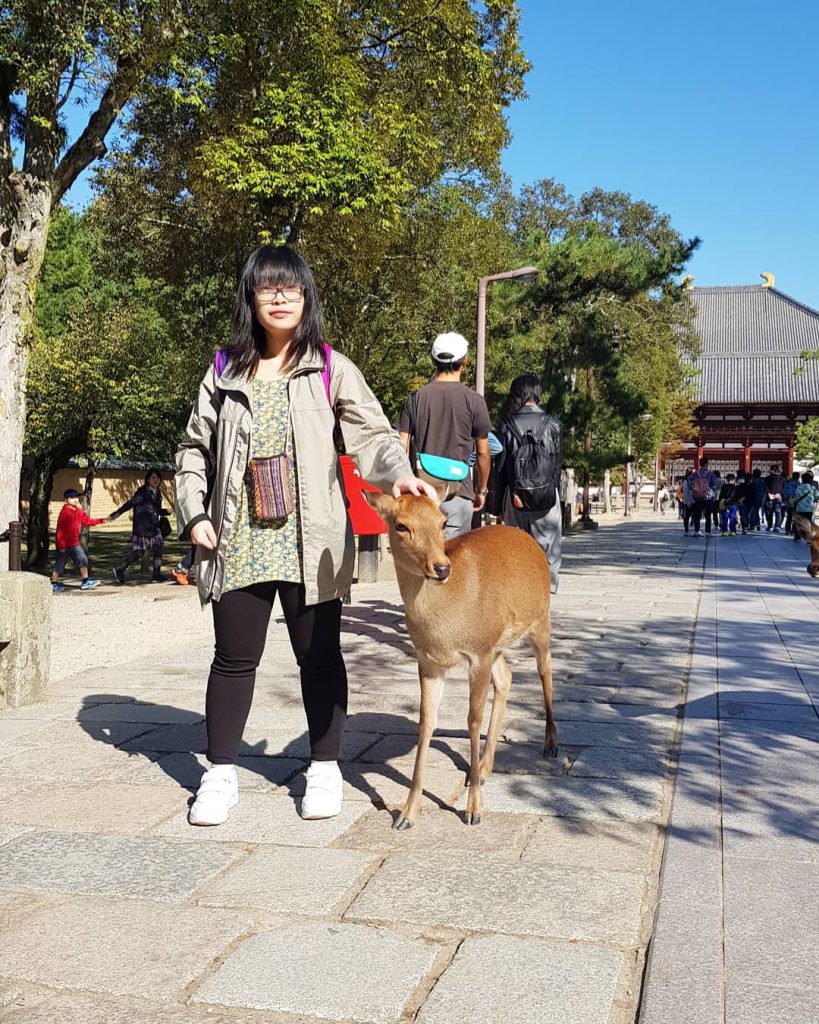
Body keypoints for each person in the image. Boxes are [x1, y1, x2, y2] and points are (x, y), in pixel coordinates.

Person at [174, 245, 436, 827]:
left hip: (309, 535)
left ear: (306, 296)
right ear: (251, 296)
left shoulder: (329, 366)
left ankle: (323, 768)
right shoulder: (223, 369)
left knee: (318, 657)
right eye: (267, 287)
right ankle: (218, 774)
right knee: (233, 658)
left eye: (290, 287)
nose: (280, 296)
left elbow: (372, 437)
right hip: (236, 534)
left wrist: (402, 477)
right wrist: (194, 513)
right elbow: (193, 450)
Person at [398, 332, 492, 539]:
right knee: (454, 562)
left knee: (425, 561)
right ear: (465, 361)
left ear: (433, 360)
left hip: (422, 493)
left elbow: (401, 447)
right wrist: (482, 489)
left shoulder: (414, 399)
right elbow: (483, 453)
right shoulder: (474, 401)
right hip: (459, 492)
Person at [493, 374, 563, 593]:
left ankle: (520, 594)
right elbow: (556, 466)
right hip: (546, 497)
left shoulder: (506, 425)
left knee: (516, 549)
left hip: (515, 498)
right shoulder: (553, 424)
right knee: (548, 548)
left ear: (516, 395)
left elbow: (501, 469)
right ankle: (545, 593)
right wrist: (555, 494)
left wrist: (497, 506)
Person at [110, 469, 172, 583]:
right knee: (140, 552)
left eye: (157, 478)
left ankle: (156, 574)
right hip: (143, 527)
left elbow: (155, 510)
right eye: (153, 477)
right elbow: (129, 504)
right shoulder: (142, 492)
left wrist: (165, 512)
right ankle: (120, 568)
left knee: (158, 548)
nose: (156, 480)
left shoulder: (158, 492)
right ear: (148, 479)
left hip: (154, 526)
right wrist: (114, 516)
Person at [50, 489, 110, 592]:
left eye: (76, 497)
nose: (75, 499)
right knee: (60, 563)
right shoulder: (64, 512)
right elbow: (60, 530)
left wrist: (101, 520)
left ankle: (85, 581)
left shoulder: (79, 511)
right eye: (72, 497)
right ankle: (54, 583)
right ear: (66, 500)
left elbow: (86, 521)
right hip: (64, 544)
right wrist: (61, 545)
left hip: (75, 543)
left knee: (83, 559)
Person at [689, 459, 718, 537]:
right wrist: (710, 491)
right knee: (708, 515)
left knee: (697, 514)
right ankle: (708, 532)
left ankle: (696, 531)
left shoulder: (695, 474)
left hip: (698, 497)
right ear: (706, 464)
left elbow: (690, 483)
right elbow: (714, 485)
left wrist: (695, 490)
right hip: (708, 497)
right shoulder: (710, 474)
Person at [791, 470, 817, 543]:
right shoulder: (812, 488)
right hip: (809, 508)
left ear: (802, 479)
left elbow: (796, 497)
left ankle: (797, 537)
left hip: (799, 508)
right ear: (810, 479)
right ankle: (809, 538)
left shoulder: (799, 487)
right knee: (809, 523)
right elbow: (817, 496)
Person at [764, 463, 787, 533]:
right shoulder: (782, 479)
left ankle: (769, 525)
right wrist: (779, 494)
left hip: (769, 497)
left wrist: (769, 494)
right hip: (778, 497)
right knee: (778, 512)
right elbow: (784, 488)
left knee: (769, 512)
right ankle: (777, 526)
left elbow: (765, 487)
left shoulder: (767, 478)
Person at [782, 471, 801, 535]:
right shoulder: (800, 485)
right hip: (798, 503)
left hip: (790, 503)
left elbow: (785, 494)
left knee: (789, 517)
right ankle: (794, 530)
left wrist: (786, 500)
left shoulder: (788, 485)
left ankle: (787, 530)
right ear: (799, 477)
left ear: (792, 477)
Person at [681, 467, 695, 535]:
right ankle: (688, 530)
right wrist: (689, 501)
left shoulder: (686, 481)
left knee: (689, 515)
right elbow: (688, 492)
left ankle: (688, 530)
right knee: (688, 516)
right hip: (690, 500)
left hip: (689, 500)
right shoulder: (688, 481)